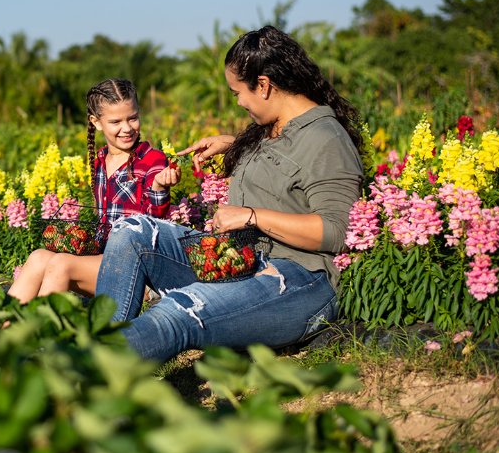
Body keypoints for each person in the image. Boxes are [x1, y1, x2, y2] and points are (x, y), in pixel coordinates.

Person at [95, 26, 364, 362]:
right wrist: (237, 145)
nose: (238, 102)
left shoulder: (325, 138)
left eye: (238, 92)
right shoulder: (274, 129)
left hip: (299, 283)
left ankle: (86, 375)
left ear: (263, 85)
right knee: (131, 231)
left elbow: (335, 232)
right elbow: (281, 166)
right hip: (244, 262)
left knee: (181, 312)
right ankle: (99, 342)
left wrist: (253, 217)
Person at [7, 78, 181, 303]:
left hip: (140, 269)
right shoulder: (99, 160)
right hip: (105, 261)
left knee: (61, 264)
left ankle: (40, 334)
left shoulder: (152, 159)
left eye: (133, 118)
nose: (127, 128)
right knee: (39, 257)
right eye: (115, 121)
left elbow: (154, 228)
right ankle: (3, 327)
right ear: (96, 122)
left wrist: (159, 188)